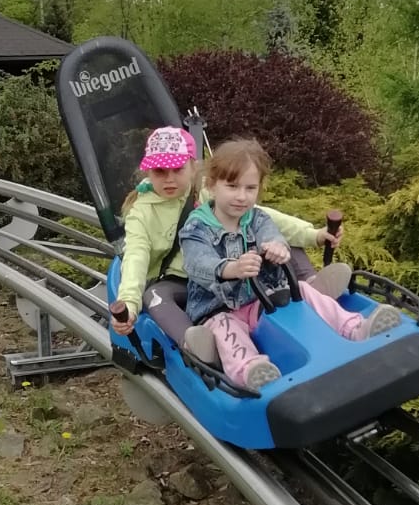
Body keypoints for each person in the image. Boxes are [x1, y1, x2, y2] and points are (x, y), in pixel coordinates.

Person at [110, 125, 349, 365]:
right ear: (148, 172)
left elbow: (262, 216)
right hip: (183, 279)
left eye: (177, 169)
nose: (170, 178)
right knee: (155, 296)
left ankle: (312, 287)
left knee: (278, 239)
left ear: (193, 167)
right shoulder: (141, 213)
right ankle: (195, 342)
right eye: (160, 171)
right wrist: (129, 304)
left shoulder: (206, 191)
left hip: (231, 262)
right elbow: (135, 258)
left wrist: (314, 235)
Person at [180, 138, 401, 391]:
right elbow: (198, 263)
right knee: (224, 327)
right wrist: (231, 269)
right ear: (211, 185)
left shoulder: (257, 218)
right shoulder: (196, 227)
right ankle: (249, 370)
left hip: (263, 300)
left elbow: (272, 235)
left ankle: (355, 328)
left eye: (250, 188)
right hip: (220, 308)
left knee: (303, 290)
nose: (241, 196)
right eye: (232, 186)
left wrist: (277, 247)